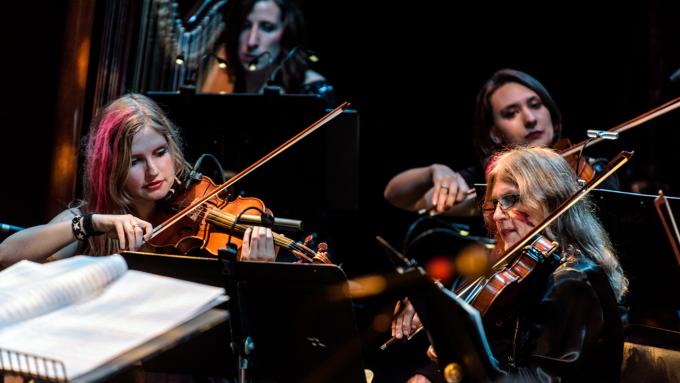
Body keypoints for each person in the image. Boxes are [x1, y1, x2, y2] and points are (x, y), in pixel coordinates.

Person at [392, 147, 628, 382]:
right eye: (494, 203)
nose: (497, 215)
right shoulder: (522, 272)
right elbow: (499, 350)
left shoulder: (575, 279)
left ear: (552, 201)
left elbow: (538, 378)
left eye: (511, 199)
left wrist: (463, 356)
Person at [0, 93, 276, 267]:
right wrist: (91, 223)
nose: (153, 170)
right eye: (135, 161)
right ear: (111, 166)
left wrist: (254, 272)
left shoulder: (196, 222)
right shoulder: (93, 223)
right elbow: (5, 256)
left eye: (160, 152)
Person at [384, 69, 616, 216]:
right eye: (511, 113)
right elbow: (396, 195)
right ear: (495, 133)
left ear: (551, 115)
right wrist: (435, 171)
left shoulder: (593, 169)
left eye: (535, 105)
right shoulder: (491, 180)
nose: (530, 118)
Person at [200, 0, 336, 107]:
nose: (252, 41)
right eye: (245, 26)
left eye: (267, 27)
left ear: (287, 35)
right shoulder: (230, 81)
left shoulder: (312, 92)